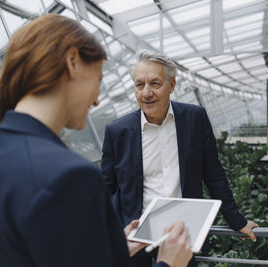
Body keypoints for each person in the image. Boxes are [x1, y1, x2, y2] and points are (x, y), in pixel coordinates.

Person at [0, 14, 193, 267]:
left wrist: (111, 248)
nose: (97, 100)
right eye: (98, 79)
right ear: (72, 62)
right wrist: (169, 263)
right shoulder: (69, 177)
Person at [101, 50, 259, 266]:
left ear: (172, 85)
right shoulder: (116, 131)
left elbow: (213, 174)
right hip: (135, 240)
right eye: (139, 85)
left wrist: (237, 220)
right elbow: (107, 189)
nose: (146, 93)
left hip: (183, 237)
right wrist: (110, 235)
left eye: (155, 84)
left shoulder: (195, 119)